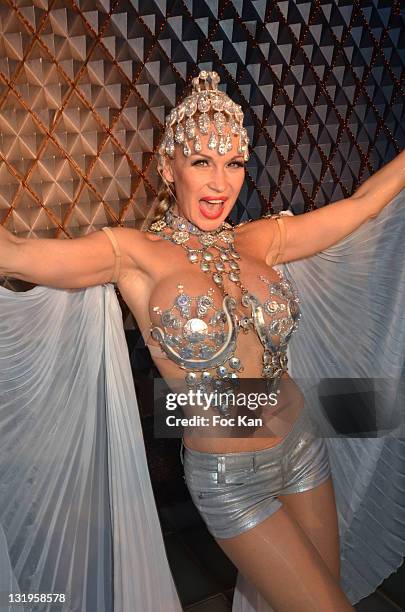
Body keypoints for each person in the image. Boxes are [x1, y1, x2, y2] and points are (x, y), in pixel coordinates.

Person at [0, 70, 404, 612]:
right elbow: (15, 253)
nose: (221, 183)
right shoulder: (133, 254)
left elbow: (363, 204)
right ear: (169, 168)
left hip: (304, 448)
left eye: (234, 163)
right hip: (229, 480)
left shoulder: (260, 238)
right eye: (202, 163)